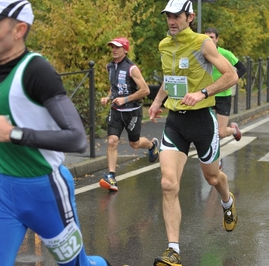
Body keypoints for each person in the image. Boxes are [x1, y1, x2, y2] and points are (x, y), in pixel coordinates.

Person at [0, 1, 111, 265]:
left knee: (77, 265)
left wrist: (13, 133)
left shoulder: (36, 70)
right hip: (1, 189)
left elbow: (77, 138)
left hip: (45, 192)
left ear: (18, 30)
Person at [148, 1, 238, 265]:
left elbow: (230, 75)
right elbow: (169, 77)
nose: (172, 21)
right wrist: (157, 101)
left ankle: (226, 201)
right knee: (168, 183)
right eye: (168, 17)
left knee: (212, 178)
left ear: (190, 17)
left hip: (202, 120)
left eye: (177, 16)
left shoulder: (203, 43)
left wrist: (203, 92)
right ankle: (173, 250)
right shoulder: (165, 45)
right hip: (176, 121)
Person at [99, 37, 160, 192]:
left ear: (125, 50)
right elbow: (114, 87)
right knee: (112, 141)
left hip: (132, 111)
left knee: (134, 144)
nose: (114, 49)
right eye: (112, 46)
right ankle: (111, 176)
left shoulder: (132, 68)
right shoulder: (110, 66)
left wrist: (125, 99)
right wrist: (109, 97)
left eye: (117, 47)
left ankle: (152, 145)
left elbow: (145, 90)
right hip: (116, 111)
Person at [204, 27, 247, 141]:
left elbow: (242, 68)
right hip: (208, 95)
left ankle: (234, 130)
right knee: (210, 130)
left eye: (212, 37)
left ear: (217, 39)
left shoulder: (225, 54)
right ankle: (215, 157)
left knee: (221, 133)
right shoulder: (201, 54)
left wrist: (231, 81)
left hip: (223, 95)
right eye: (206, 37)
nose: (209, 40)